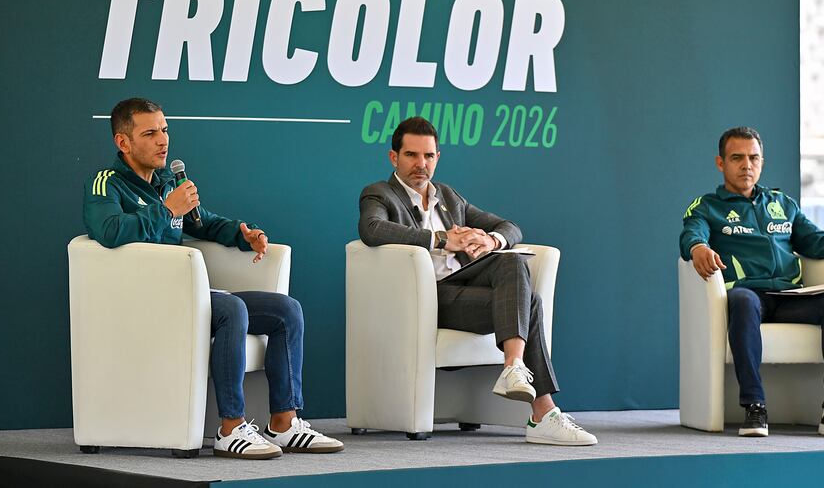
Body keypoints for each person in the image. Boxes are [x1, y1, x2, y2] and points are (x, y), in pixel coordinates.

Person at [83, 98, 343, 459]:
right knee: (230, 309)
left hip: (186, 292)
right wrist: (167, 209)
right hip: (143, 298)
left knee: (286, 310)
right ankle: (230, 429)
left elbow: (203, 222)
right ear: (123, 143)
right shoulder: (106, 183)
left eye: (164, 130)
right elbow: (109, 231)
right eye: (150, 133)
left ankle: (284, 422)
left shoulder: (166, 182)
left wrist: (242, 233)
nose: (163, 140)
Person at [357, 116, 597, 446]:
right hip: (426, 299)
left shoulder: (450, 197)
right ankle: (542, 412)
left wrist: (491, 242)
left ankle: (515, 368)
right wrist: (442, 239)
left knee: (513, 264)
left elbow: (510, 227)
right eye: (412, 155)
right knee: (531, 302)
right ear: (393, 157)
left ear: (437, 157)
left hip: (465, 290)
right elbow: (372, 230)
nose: (421, 164)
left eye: (428, 156)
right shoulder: (380, 194)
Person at [680, 126, 824, 438]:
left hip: (791, 297)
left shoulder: (783, 204)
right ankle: (754, 407)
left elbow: (817, 241)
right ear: (721, 163)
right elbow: (691, 233)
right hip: (749, 295)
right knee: (744, 301)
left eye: (753, 158)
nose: (746, 165)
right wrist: (698, 248)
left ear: (762, 162)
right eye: (737, 158)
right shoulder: (708, 206)